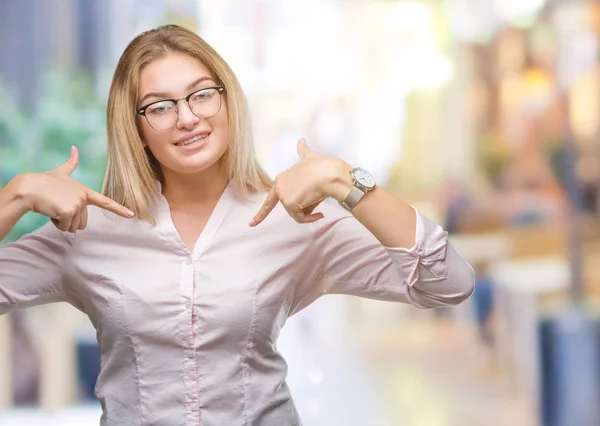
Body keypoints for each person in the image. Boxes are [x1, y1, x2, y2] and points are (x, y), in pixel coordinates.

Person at [0, 25, 475, 426]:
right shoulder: (88, 231)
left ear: (228, 101)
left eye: (202, 95)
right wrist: (16, 196)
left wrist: (345, 181)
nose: (188, 118)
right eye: (160, 106)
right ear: (137, 128)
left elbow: (448, 283)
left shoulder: (296, 221)